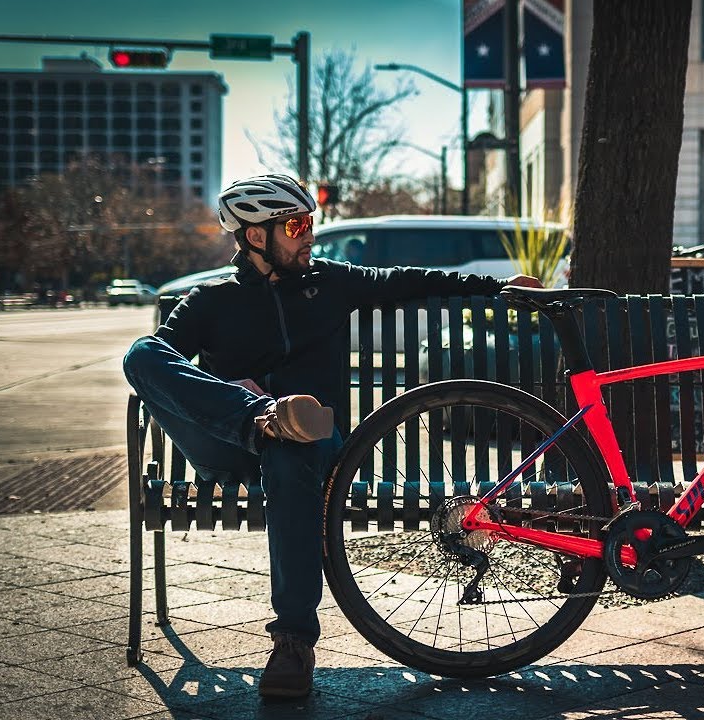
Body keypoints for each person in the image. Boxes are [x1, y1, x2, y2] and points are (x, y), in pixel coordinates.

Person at [122, 173, 541, 699]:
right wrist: (235, 396)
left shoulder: (331, 282)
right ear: (256, 236)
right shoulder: (208, 302)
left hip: (309, 450)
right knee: (140, 353)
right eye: (296, 226)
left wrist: (496, 287)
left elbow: (410, 279)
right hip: (225, 445)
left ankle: (293, 643)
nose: (309, 235)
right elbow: (159, 366)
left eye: (310, 224)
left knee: (290, 448)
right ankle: (261, 415)